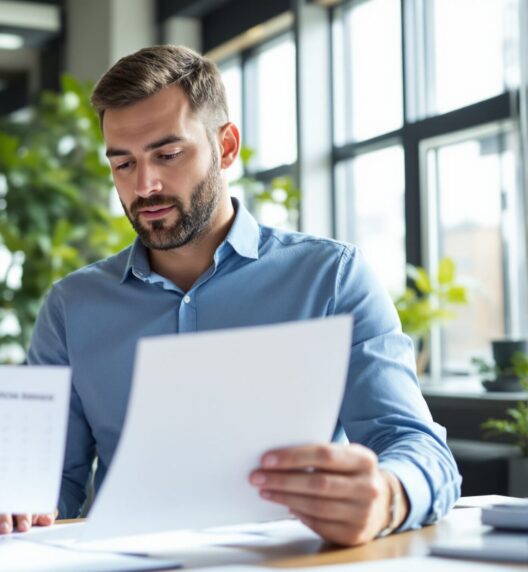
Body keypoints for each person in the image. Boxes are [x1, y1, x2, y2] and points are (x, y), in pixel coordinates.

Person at [26, 45, 461, 546]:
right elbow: (48, 481)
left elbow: (415, 445)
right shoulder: (72, 307)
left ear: (226, 146)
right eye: (123, 164)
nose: (144, 186)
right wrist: (13, 503)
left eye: (168, 155)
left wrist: (387, 495)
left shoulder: (331, 278)